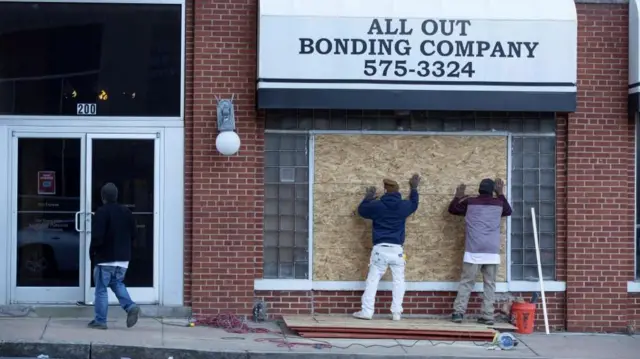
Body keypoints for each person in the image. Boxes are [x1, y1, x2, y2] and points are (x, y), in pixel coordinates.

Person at [352, 174, 420, 321]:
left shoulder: (377, 206)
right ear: (398, 192)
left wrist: (368, 197)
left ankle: (367, 311)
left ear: (384, 191)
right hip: (397, 250)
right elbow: (414, 204)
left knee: (372, 280)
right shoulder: (403, 206)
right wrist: (414, 188)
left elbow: (362, 211)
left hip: (380, 249)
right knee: (399, 281)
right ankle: (396, 313)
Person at [447, 178, 512, 325]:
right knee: (490, 284)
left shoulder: (470, 202)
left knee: (466, 282)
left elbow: (452, 209)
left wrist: (458, 195)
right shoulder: (499, 203)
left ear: (479, 190)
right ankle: (488, 316)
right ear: (492, 191)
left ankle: (458, 313)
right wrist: (501, 193)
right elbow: (508, 211)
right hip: (491, 251)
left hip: (473, 250)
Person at [88, 182, 140, 330]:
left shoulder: (102, 212)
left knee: (101, 289)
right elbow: (134, 234)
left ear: (103, 197)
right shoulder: (127, 212)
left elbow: (97, 237)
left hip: (105, 258)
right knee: (117, 283)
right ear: (116, 196)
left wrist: (93, 253)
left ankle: (100, 321)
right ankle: (130, 307)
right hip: (123, 259)